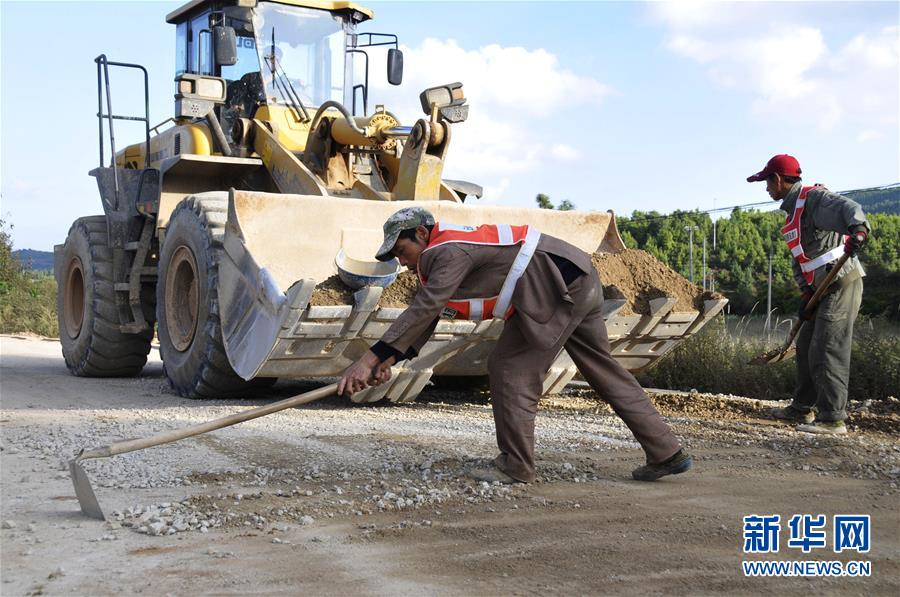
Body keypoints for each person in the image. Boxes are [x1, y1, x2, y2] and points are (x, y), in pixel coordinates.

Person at [338, 207, 692, 483]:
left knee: (510, 368)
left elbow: (423, 307)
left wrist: (369, 359)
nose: (402, 261)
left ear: (421, 233)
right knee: (603, 369)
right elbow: (428, 316)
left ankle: (516, 466)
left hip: (553, 287)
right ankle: (665, 451)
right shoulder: (443, 256)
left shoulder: (443, 251)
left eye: (402, 250)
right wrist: (390, 359)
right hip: (575, 278)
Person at [747, 154, 869, 435]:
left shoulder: (813, 199)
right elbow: (804, 259)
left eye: (766, 181)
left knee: (827, 348)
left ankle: (832, 419)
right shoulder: (793, 213)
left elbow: (848, 208)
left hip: (841, 284)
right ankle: (802, 408)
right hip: (818, 290)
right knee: (805, 346)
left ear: (777, 179)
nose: (765, 188)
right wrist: (805, 295)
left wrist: (858, 231)